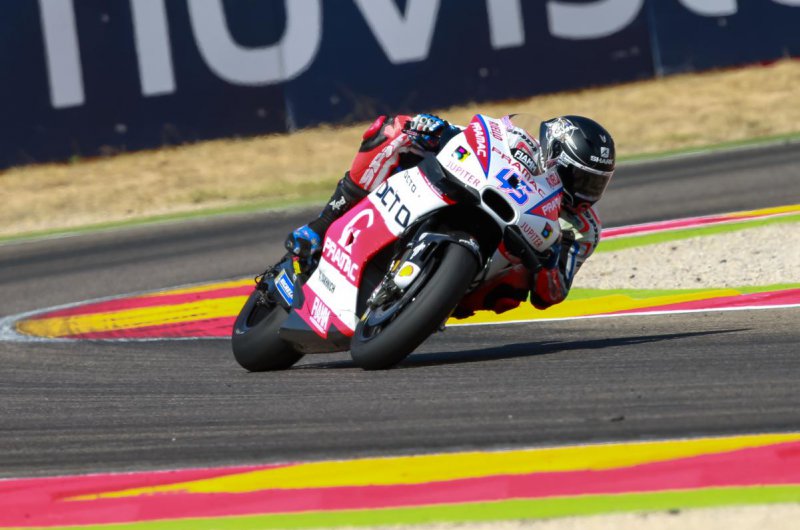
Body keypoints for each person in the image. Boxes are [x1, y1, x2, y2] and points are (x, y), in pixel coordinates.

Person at [284, 112, 615, 316]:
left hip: (490, 268)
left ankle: (440, 297)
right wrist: (438, 128)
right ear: (554, 156)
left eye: (596, 184)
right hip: (470, 190)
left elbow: (552, 295)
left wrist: (549, 261)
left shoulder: (584, 229)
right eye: (581, 179)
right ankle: (322, 224)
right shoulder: (521, 142)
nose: (587, 193)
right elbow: (479, 137)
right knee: (393, 129)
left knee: (513, 289)